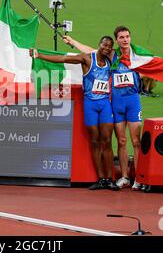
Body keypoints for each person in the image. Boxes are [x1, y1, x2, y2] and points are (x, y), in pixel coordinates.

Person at [63, 27, 163, 190]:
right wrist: (73, 42)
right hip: (117, 103)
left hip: (133, 102)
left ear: (130, 38)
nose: (125, 39)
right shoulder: (112, 55)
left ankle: (140, 177)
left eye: (127, 36)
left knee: (136, 141)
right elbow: (92, 52)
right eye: (121, 37)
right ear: (117, 40)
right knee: (121, 141)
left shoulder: (138, 58)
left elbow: (160, 64)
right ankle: (125, 176)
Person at [30, 36, 119, 191]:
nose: (106, 48)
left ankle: (110, 179)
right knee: (95, 141)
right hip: (90, 105)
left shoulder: (110, 61)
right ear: (99, 45)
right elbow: (63, 59)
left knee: (107, 142)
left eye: (109, 46)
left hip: (105, 105)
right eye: (104, 45)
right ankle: (100, 179)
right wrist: (40, 55)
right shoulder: (86, 59)